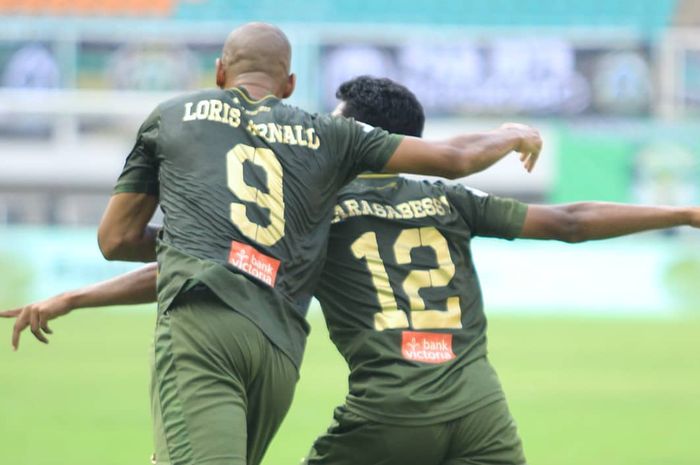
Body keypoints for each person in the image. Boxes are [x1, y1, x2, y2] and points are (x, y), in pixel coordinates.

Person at [3, 76, 699, 465]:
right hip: (483, 411)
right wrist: (683, 215)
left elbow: (200, 263)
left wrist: (76, 297)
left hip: (389, 415)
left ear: (356, 138)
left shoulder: (315, 210)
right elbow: (571, 221)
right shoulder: (453, 198)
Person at [51, 21, 543, 465]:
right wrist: (511, 132)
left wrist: (204, 237)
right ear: (289, 85)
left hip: (205, 326)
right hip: (279, 349)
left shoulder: (174, 115)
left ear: (220, 72)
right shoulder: (327, 135)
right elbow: (456, 158)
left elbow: (116, 240)